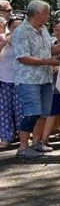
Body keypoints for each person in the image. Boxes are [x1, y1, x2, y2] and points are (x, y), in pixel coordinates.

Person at [12, 0, 60, 158]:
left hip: (45, 78)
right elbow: (22, 57)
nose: (48, 16)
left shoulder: (43, 28)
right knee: (32, 114)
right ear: (36, 14)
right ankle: (22, 148)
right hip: (28, 79)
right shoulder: (21, 32)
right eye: (46, 13)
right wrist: (47, 61)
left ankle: (37, 143)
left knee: (44, 113)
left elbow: (49, 50)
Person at [0, 15, 23, 148]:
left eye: (20, 27)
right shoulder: (3, 37)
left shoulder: (25, 39)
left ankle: (23, 136)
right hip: (4, 79)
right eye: (15, 27)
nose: (17, 29)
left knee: (20, 110)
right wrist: (3, 43)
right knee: (5, 111)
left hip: (21, 80)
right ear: (9, 27)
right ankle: (6, 137)